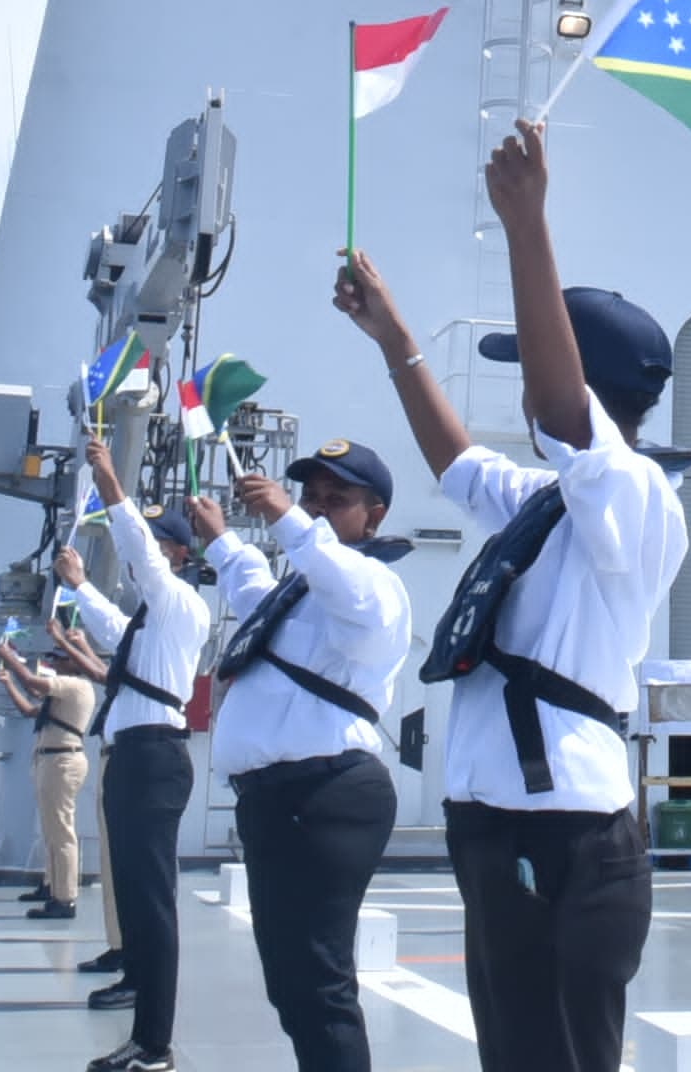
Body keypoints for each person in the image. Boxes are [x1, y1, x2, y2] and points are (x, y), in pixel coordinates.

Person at [332, 120, 689, 1072]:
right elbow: (454, 460)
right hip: (497, 826)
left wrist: (527, 225)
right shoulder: (545, 499)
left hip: (567, 833)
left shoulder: (636, 495)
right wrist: (393, 336)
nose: (524, 397)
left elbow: (567, 413)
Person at [198, 441, 416, 1072]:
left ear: (372, 517)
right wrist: (219, 539)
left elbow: (337, 579)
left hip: (326, 796)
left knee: (319, 980)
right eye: (312, 496)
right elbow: (253, 590)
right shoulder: (306, 591)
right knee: (291, 982)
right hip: (278, 801)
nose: (318, 510)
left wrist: (288, 519)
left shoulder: (374, 586)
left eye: (336, 500)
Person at [61, 437, 211, 1072]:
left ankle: (155, 1042)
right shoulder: (152, 621)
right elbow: (112, 633)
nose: (141, 562)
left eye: (157, 546)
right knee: (135, 891)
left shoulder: (178, 600)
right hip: (135, 757)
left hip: (153, 758)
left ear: (177, 552)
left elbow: (138, 553)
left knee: (151, 900)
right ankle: (141, 1008)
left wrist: (109, 480)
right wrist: (77, 588)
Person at [0, 632, 95, 917]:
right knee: (52, 829)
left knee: (61, 832)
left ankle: (65, 899)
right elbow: (30, 707)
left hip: (62, 760)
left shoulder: (76, 686)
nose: (54, 663)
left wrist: (10, 659)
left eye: (60, 658)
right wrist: (9, 681)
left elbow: (34, 684)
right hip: (51, 759)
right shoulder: (63, 692)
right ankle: (51, 885)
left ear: (75, 663)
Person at [50, 620, 131, 976]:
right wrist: (76, 645)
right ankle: (119, 944)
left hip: (126, 757)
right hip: (110, 755)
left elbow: (105, 674)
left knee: (121, 863)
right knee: (111, 862)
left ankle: (127, 948)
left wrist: (68, 644)